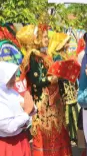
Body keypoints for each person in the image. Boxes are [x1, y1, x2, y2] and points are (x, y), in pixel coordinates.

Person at [16, 24, 72, 156]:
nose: (47, 39)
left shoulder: (43, 54)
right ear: (36, 39)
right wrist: (51, 80)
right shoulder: (33, 56)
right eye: (44, 36)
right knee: (46, 135)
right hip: (44, 105)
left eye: (47, 36)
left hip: (53, 102)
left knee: (57, 132)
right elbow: (36, 81)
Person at [0, 62, 36, 156]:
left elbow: (29, 107)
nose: (15, 80)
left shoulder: (11, 92)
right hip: (7, 146)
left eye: (14, 76)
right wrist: (26, 113)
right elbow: (9, 127)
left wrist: (30, 109)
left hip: (22, 140)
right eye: (11, 77)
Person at [48, 33, 79, 144]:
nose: (68, 44)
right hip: (63, 89)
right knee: (67, 111)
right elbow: (57, 74)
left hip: (70, 88)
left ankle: (74, 135)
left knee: (73, 110)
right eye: (66, 42)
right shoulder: (57, 57)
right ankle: (70, 135)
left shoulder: (64, 55)